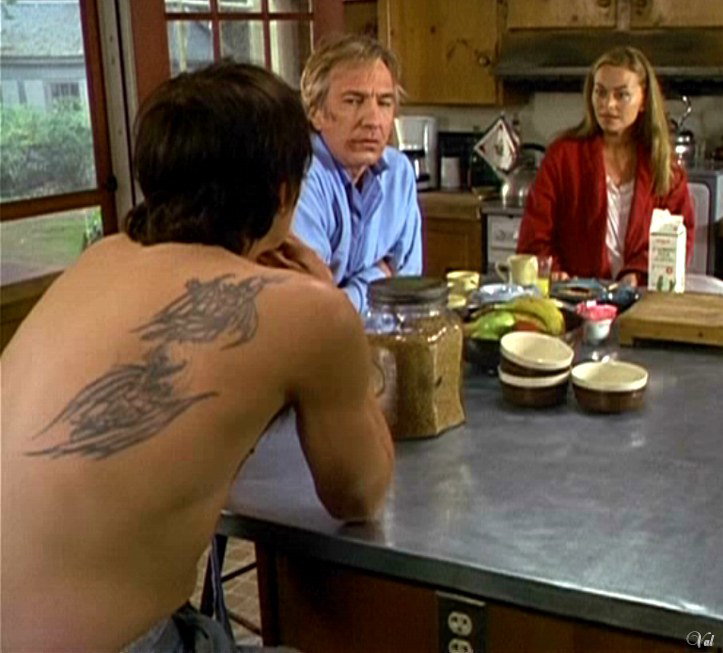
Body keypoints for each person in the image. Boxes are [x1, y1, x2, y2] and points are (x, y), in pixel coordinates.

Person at [0, 62, 394, 653]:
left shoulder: (100, 258)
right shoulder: (308, 310)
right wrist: (328, 295)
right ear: (284, 190)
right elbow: (359, 495)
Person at [516, 46, 694, 286]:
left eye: (622, 95)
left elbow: (679, 238)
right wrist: (554, 271)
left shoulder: (663, 166)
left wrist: (638, 274)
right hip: (574, 295)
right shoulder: (562, 157)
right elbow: (533, 236)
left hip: (641, 296)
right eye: (600, 92)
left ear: (643, 100)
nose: (608, 104)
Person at [292, 33, 422, 313]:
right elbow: (314, 311)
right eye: (353, 101)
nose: (373, 120)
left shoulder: (398, 173)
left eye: (384, 103)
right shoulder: (302, 177)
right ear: (316, 112)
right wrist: (378, 277)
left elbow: (408, 291)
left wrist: (348, 294)